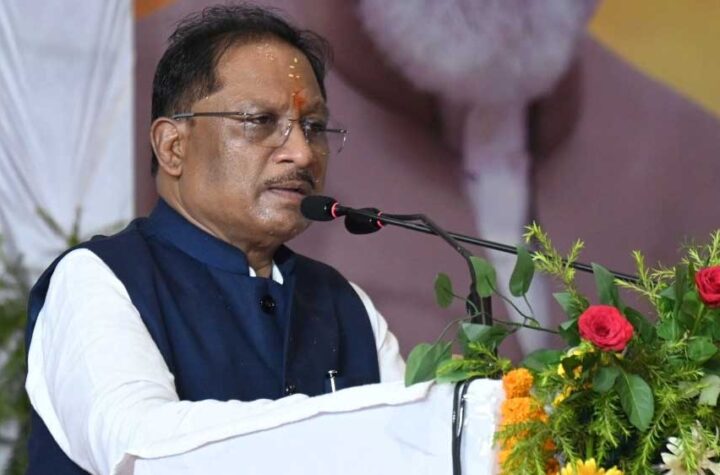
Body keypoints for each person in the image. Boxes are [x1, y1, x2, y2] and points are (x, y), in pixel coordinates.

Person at [24, 5, 404, 474]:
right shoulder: (101, 279)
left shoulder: (346, 305)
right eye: (260, 121)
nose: (303, 153)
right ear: (173, 146)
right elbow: (144, 448)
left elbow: (414, 450)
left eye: (312, 127)